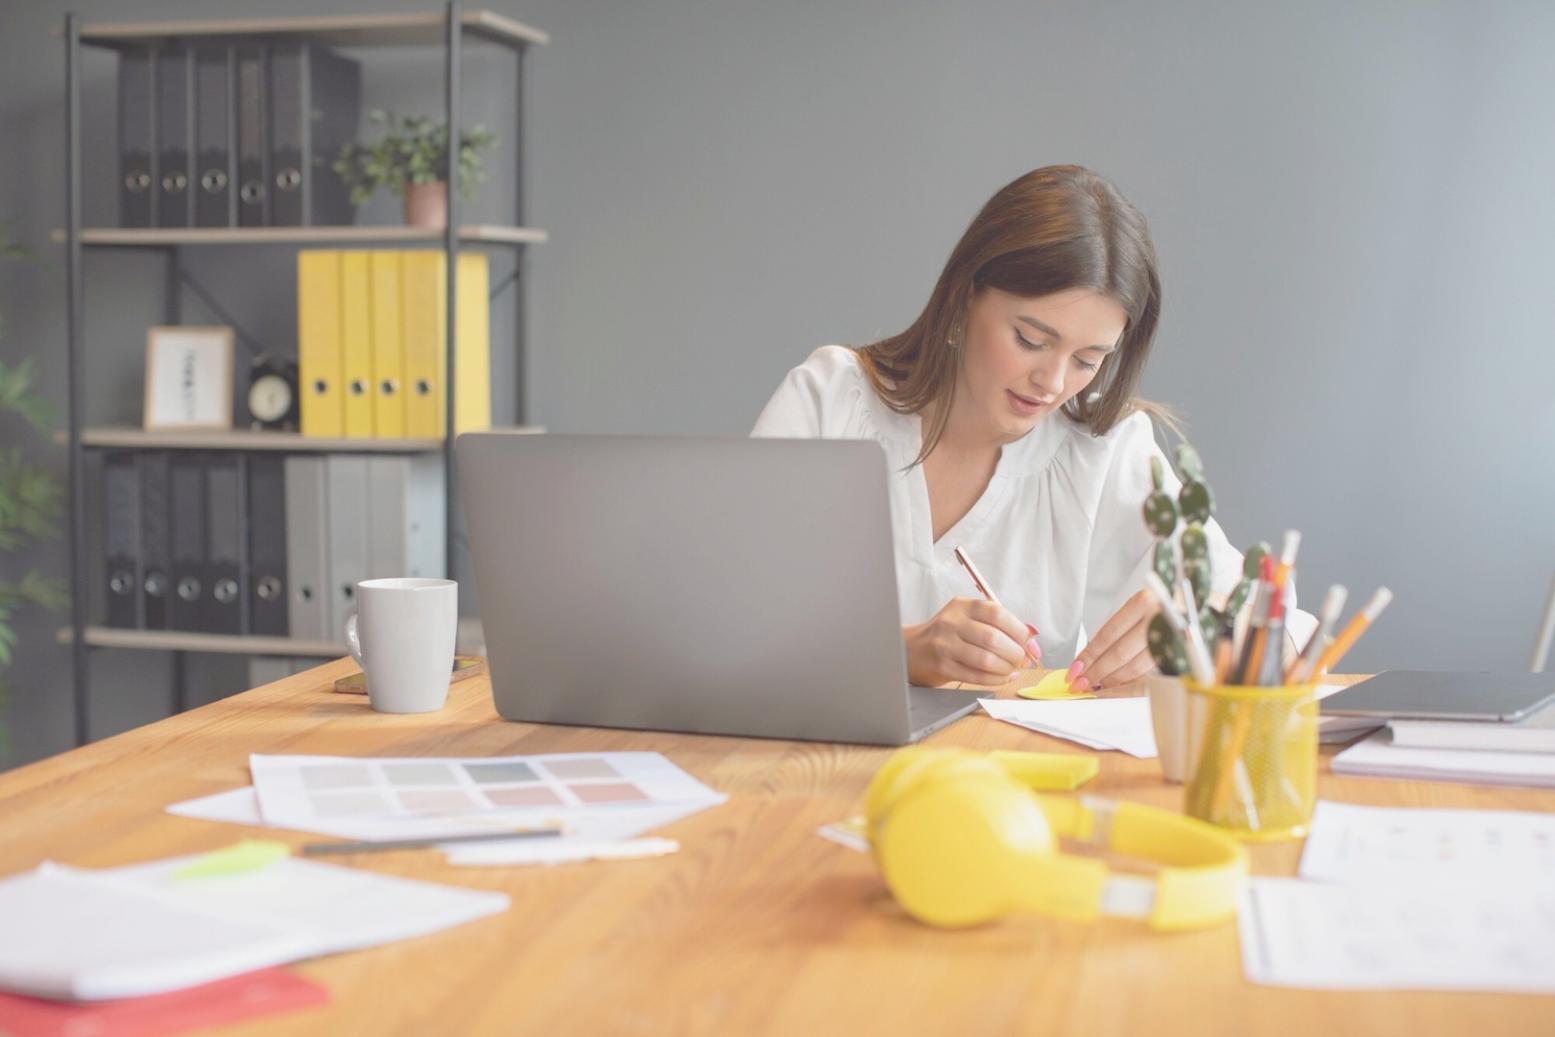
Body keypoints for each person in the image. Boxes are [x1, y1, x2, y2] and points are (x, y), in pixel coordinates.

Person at [752, 165, 1313, 690]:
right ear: (965, 295)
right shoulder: (832, 400)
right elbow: (728, 623)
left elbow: (1289, 636)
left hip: (1016, 764)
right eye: (1030, 340)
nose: (1052, 381)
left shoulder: (1105, 452)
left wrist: (1202, 630)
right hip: (806, 762)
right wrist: (901, 652)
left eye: (1088, 360)